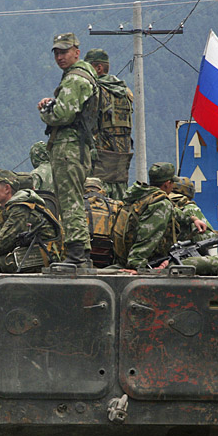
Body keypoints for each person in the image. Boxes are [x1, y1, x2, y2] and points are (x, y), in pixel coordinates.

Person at [38, 32, 99, 266]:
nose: (60, 56)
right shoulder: (84, 76)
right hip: (78, 146)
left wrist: (45, 111)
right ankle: (80, 252)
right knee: (73, 199)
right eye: (56, 52)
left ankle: (76, 255)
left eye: (64, 51)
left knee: (69, 201)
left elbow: (62, 114)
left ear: (77, 51)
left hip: (69, 147)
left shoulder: (75, 79)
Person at [112, 162, 207, 269]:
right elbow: (148, 236)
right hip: (145, 261)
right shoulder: (161, 204)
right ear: (167, 183)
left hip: (122, 256)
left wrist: (192, 219)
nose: (172, 187)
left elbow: (172, 212)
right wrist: (137, 265)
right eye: (172, 183)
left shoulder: (142, 195)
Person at [84, 48, 134, 200]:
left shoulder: (95, 91)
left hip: (99, 169)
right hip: (120, 167)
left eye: (88, 68)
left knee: (97, 213)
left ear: (98, 68)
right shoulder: (125, 93)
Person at [83, 177, 122, 268]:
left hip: (82, 261)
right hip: (110, 261)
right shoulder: (116, 206)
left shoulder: (76, 206)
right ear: (101, 189)